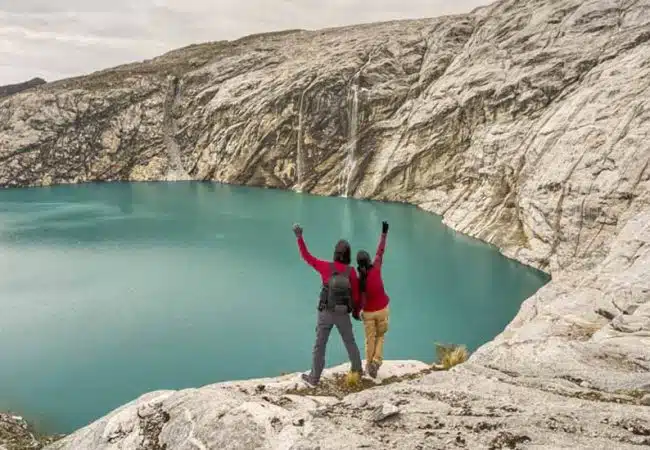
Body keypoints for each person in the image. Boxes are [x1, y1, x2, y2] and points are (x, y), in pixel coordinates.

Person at [292, 223, 363, 386]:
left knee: (320, 345)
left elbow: (307, 257)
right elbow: (357, 295)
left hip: (325, 313)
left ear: (335, 254)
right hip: (343, 313)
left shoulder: (325, 267)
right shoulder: (351, 272)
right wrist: (356, 311)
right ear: (348, 255)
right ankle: (358, 370)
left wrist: (299, 237)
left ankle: (314, 378)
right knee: (350, 341)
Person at [357, 220, 390, 378]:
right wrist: (384, 233)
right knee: (380, 336)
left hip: (368, 313)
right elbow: (380, 250)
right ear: (369, 259)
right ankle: (376, 362)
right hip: (382, 309)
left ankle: (368, 365)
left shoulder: (359, 280)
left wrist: (357, 312)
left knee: (369, 339)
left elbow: (357, 298)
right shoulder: (376, 266)